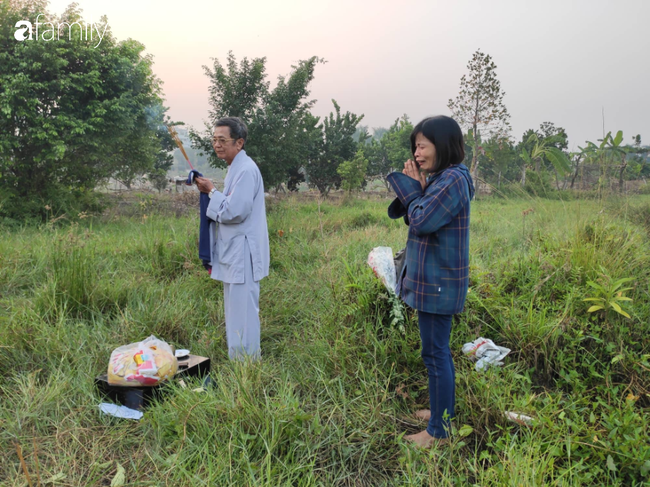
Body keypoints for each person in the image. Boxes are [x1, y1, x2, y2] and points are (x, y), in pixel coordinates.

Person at [386, 115, 475, 447]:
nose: (417, 153)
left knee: (436, 353)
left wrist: (414, 195)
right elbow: (418, 215)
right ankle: (440, 411)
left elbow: (420, 220)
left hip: (440, 282)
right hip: (433, 280)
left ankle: (439, 431)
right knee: (434, 352)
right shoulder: (442, 179)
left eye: (422, 145)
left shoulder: (453, 180)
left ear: (443, 144)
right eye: (415, 146)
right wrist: (418, 194)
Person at [195, 117, 270, 360]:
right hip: (235, 252)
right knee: (236, 310)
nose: (217, 144)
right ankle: (239, 361)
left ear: (239, 143)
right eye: (214, 139)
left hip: (243, 253)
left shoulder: (246, 170)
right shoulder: (235, 168)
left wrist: (211, 191)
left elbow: (234, 211)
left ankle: (247, 366)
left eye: (222, 140)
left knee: (244, 311)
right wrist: (213, 191)